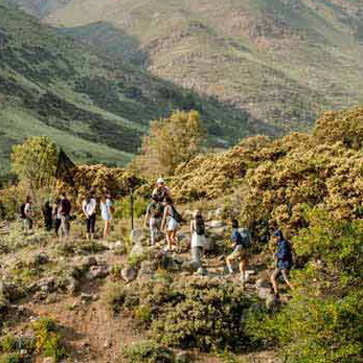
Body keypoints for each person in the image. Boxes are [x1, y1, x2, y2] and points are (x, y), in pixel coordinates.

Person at [270, 230, 294, 300]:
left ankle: (297, 294)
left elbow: (283, 255)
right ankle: (276, 294)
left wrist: (276, 255)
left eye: (275, 237)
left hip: (285, 265)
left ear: (278, 237)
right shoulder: (280, 243)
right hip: (280, 265)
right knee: (273, 277)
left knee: (287, 279)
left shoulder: (284, 244)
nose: (274, 239)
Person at [226, 220, 250, 287]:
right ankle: (243, 281)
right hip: (245, 249)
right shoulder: (240, 231)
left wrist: (233, 245)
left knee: (228, 259)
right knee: (242, 264)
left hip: (239, 248)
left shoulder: (235, 231)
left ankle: (231, 272)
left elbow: (236, 240)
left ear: (232, 225)